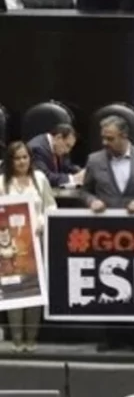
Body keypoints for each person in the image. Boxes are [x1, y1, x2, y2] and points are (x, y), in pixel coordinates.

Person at [80, 116, 134, 352]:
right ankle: (113, 337)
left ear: (124, 136)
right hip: (107, 235)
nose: (105, 143)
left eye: (110, 138)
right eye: (103, 138)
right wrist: (92, 201)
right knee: (109, 283)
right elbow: (84, 191)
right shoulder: (94, 160)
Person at [0, 141, 56, 352]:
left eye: (25, 157)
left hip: (36, 244)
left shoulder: (39, 179)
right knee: (14, 292)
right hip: (9, 247)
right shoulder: (2, 182)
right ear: (10, 161)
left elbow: (51, 206)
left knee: (34, 291)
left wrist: (41, 223)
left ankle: (32, 339)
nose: (22, 162)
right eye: (17, 158)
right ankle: (17, 340)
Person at [27, 124, 82, 188]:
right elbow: (44, 177)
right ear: (58, 137)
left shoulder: (58, 148)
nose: (68, 151)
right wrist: (73, 178)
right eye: (67, 146)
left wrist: (81, 172)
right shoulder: (37, 149)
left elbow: (67, 166)